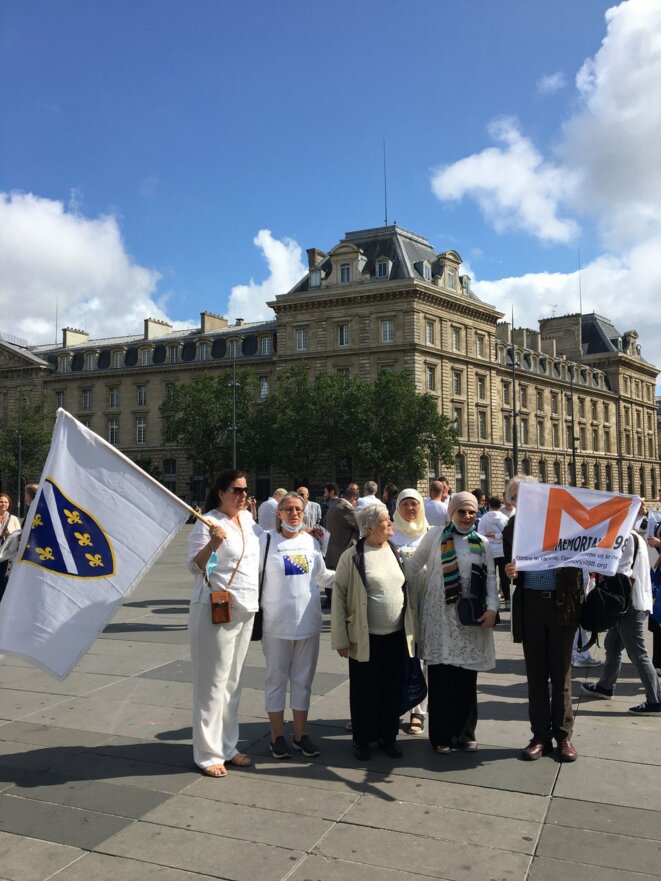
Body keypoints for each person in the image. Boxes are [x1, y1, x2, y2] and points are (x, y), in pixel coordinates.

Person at [408, 492, 498, 754]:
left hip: (470, 619)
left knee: (466, 680)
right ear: (451, 513)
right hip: (440, 617)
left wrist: (492, 608)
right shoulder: (435, 536)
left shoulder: (482, 543)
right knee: (441, 679)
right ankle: (441, 736)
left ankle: (465, 733)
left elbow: (491, 579)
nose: (467, 517)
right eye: (462, 512)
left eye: (471, 512)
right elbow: (414, 564)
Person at [503, 475, 585, 762]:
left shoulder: (565, 522)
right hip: (532, 607)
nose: (522, 501)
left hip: (562, 606)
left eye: (528, 495)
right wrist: (510, 572)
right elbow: (508, 564)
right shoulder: (513, 527)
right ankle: (539, 736)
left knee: (561, 673)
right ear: (510, 502)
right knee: (536, 675)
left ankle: (563, 737)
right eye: (516, 497)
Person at [187, 469, 262, 777]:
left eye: (246, 490)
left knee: (233, 682)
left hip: (245, 607)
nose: (243, 495)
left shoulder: (247, 520)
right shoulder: (208, 523)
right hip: (215, 609)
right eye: (237, 490)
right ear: (221, 492)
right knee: (212, 683)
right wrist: (213, 545)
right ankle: (207, 753)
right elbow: (194, 566)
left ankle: (228, 746)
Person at [331, 502, 415, 760]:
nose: (390, 523)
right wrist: (341, 638)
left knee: (392, 687)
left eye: (389, 519)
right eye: (385, 520)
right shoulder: (353, 556)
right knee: (364, 690)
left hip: (396, 635)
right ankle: (363, 740)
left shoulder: (395, 551)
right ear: (368, 528)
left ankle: (388, 737)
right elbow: (339, 598)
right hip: (364, 636)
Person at [261, 492, 335, 758]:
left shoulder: (310, 542)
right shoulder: (266, 541)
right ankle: (276, 736)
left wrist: (353, 571)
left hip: (308, 623)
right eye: (289, 509)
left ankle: (301, 734)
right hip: (276, 625)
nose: (294, 514)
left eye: (298, 510)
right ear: (279, 513)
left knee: (303, 681)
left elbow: (322, 576)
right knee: (276, 680)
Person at [581, 528, 661, 714]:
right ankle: (605, 686)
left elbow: (622, 570)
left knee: (637, 653)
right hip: (624, 601)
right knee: (613, 644)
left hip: (630, 603)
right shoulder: (627, 535)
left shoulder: (626, 537)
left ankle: (655, 699)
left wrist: (596, 563)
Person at [390, 488, 430, 736]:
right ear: (398, 508)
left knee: (422, 660)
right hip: (396, 605)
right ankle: (394, 708)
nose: (410, 509)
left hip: (423, 603)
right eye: (405, 504)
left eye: (414, 504)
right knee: (397, 659)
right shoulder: (390, 532)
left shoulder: (429, 533)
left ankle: (418, 711)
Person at [477, 497, 510, 609]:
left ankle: (491, 601)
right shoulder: (504, 518)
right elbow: (507, 534)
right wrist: (497, 536)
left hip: (489, 550)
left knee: (491, 577)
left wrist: (490, 536)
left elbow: (480, 534)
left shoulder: (484, 518)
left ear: (489, 505)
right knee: (504, 577)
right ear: (499, 505)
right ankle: (507, 601)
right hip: (502, 551)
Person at [0, 493, 21, 600]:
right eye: (1, 501)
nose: (3, 504)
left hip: (6, 556)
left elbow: (18, 536)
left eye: (5, 502)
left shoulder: (13, 519)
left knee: (4, 582)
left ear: (9, 504)